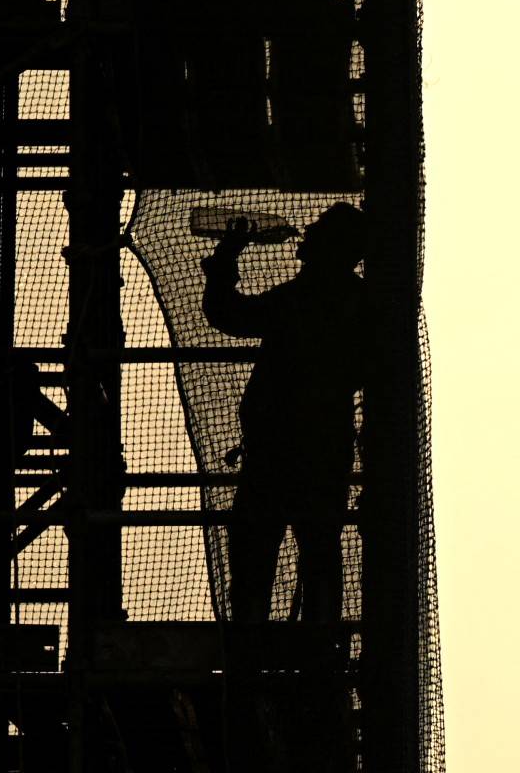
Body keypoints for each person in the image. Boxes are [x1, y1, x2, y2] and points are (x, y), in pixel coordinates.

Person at [202, 202, 369, 772]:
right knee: (315, 548)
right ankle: (316, 641)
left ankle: (254, 644)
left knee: (258, 548)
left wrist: (226, 258)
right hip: (318, 452)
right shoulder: (353, 301)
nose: (307, 233)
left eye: (319, 230)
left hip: (280, 453)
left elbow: (227, 314)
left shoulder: (311, 297)